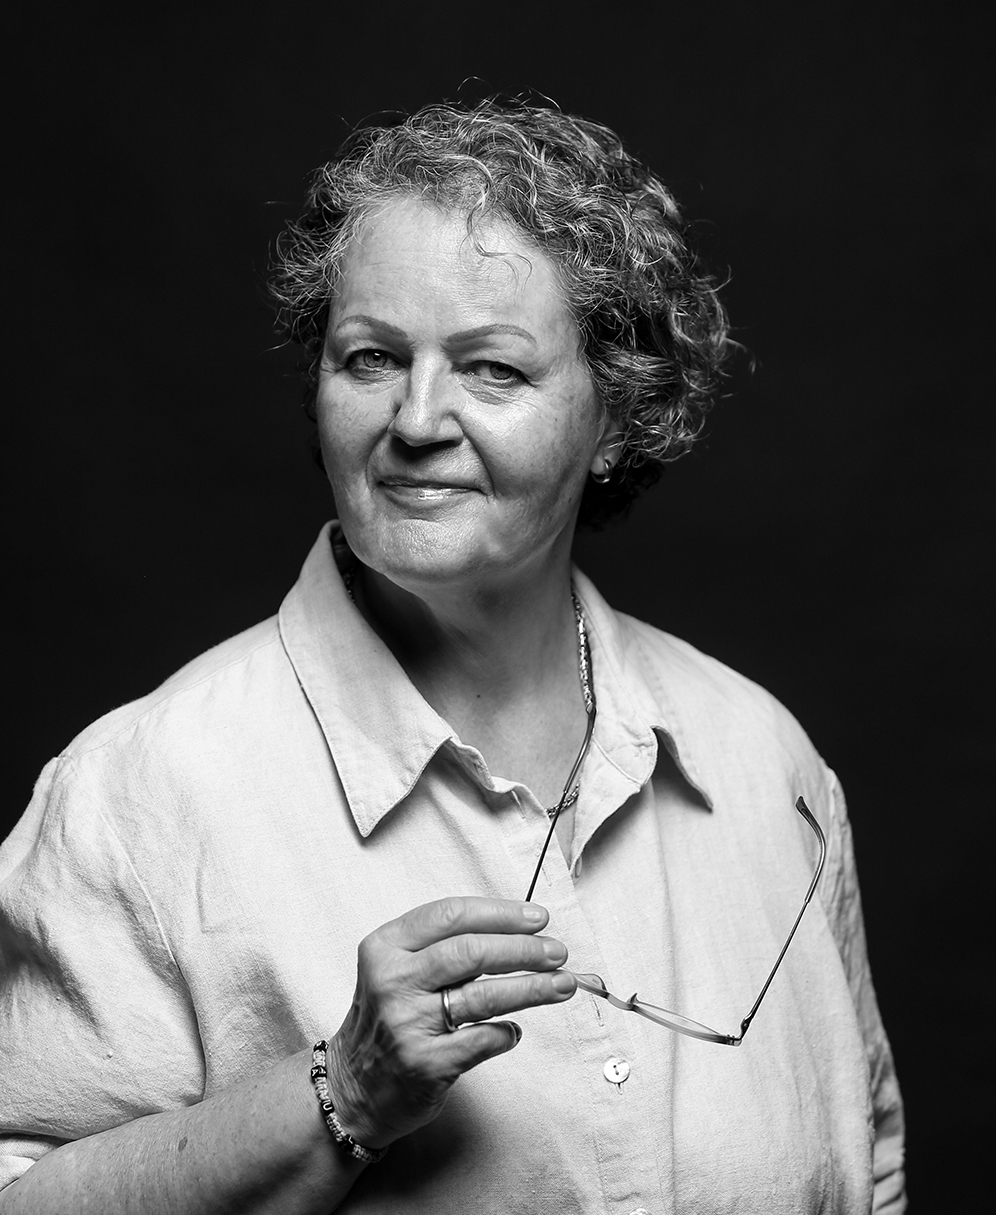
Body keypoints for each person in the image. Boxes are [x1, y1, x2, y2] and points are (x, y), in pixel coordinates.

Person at [0, 100, 905, 1213]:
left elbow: (867, 1162)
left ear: (617, 418)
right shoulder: (138, 794)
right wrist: (343, 1093)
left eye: (492, 370)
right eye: (372, 357)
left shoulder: (765, 761)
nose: (417, 419)